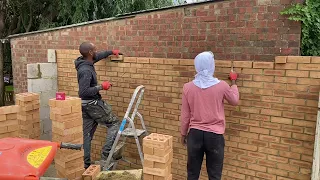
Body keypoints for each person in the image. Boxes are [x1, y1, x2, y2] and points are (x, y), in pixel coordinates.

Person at [180, 51, 239, 180]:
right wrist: (233, 82)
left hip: (194, 135)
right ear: (212, 65)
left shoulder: (187, 87)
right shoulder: (222, 86)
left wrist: (183, 134)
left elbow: (185, 115)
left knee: (192, 174)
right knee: (214, 175)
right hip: (214, 137)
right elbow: (234, 101)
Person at [75, 42, 122, 169]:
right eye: (94, 50)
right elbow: (83, 91)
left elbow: (98, 56)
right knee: (115, 123)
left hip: (84, 106)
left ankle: (85, 165)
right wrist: (102, 86)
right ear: (90, 53)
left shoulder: (84, 61)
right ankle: (106, 155)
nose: (96, 52)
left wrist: (112, 52)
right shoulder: (86, 70)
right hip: (92, 104)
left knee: (87, 135)